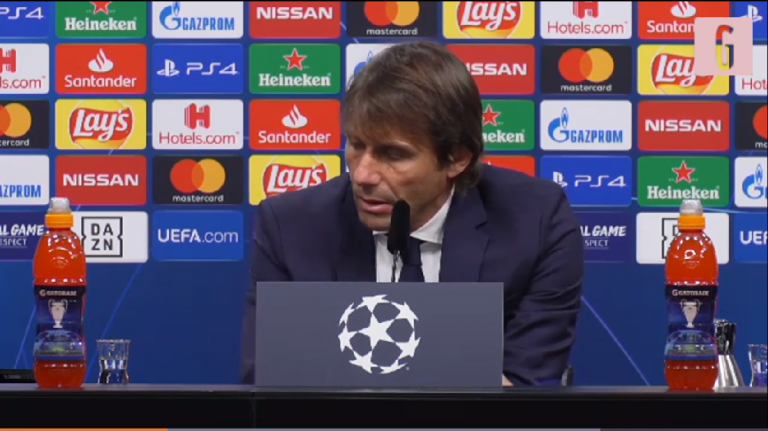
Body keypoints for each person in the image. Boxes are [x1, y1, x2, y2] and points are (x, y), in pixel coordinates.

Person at [240, 40, 584, 386]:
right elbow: (270, 382)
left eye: (393, 155)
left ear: (456, 159)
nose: (362, 175)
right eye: (356, 145)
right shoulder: (291, 227)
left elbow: (523, 386)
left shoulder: (536, 221)